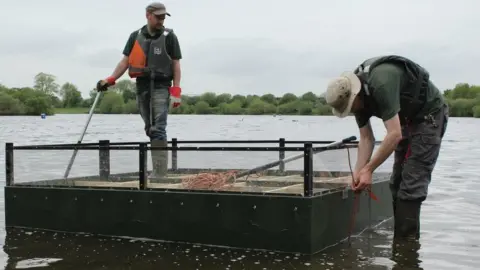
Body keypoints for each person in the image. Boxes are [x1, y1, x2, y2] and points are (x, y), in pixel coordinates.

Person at [323, 55, 449, 240]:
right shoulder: (358, 104)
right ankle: (401, 247)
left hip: (429, 117)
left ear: (355, 95)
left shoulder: (381, 83)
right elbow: (366, 139)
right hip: (405, 121)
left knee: (411, 185)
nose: (351, 111)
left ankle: (406, 247)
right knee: (396, 182)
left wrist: (369, 169)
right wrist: (359, 172)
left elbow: (394, 134)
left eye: (349, 107)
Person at [96, 2, 183, 179]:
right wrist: (111, 79)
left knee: (158, 128)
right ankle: (157, 170)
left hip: (161, 86)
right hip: (142, 86)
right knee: (150, 128)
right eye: (158, 16)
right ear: (148, 15)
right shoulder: (135, 36)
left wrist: (176, 91)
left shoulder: (170, 37)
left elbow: (176, 64)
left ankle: (160, 174)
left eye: (163, 17)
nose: (161, 20)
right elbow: (125, 61)